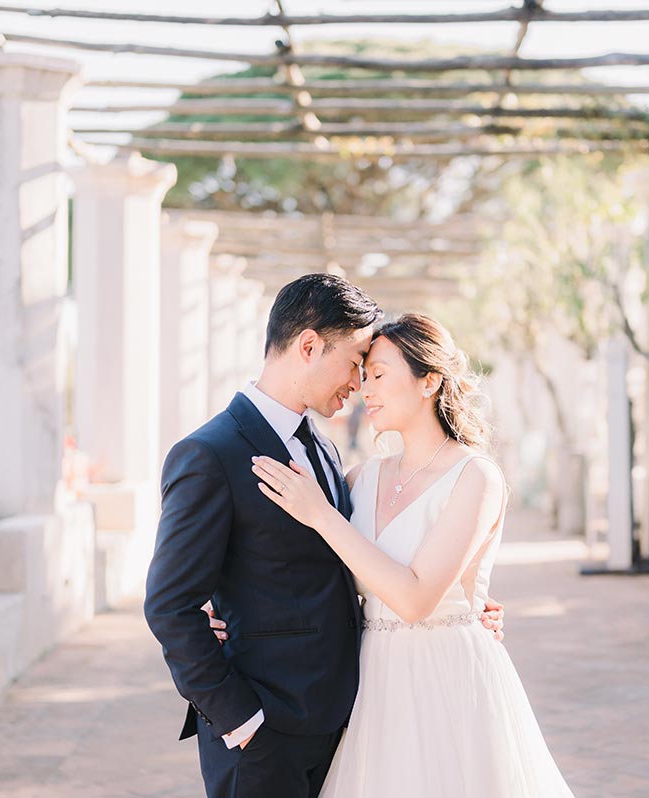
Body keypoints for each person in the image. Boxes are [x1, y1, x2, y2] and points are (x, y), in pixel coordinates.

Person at [143, 275, 504, 798]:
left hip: (350, 722)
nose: (360, 384)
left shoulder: (331, 456)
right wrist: (239, 720)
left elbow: (356, 566)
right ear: (309, 346)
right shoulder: (209, 454)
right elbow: (170, 605)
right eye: (358, 363)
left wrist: (467, 604)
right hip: (264, 734)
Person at [250, 312, 574, 797]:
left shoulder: (475, 477)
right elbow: (311, 576)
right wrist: (227, 607)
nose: (364, 389)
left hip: (448, 678)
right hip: (373, 682)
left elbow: (418, 599)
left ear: (430, 382)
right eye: (362, 376)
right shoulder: (361, 480)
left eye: (378, 374)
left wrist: (321, 514)